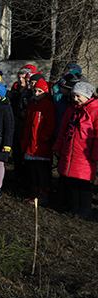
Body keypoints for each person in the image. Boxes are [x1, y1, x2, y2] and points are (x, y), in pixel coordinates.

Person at [53, 81, 98, 219]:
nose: (75, 99)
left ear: (87, 96)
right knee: (73, 180)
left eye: (78, 96)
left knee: (84, 182)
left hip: (85, 154)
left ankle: (85, 208)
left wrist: (95, 154)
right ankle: (76, 205)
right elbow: (63, 129)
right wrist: (58, 147)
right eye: (73, 96)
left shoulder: (94, 110)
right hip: (70, 151)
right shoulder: (71, 109)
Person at [21, 79, 57, 204]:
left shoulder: (48, 106)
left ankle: (43, 194)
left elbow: (50, 125)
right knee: (34, 169)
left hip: (40, 144)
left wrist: (43, 137)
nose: (36, 93)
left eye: (39, 91)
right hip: (31, 142)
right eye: (35, 91)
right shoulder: (32, 104)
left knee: (42, 171)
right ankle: (34, 192)